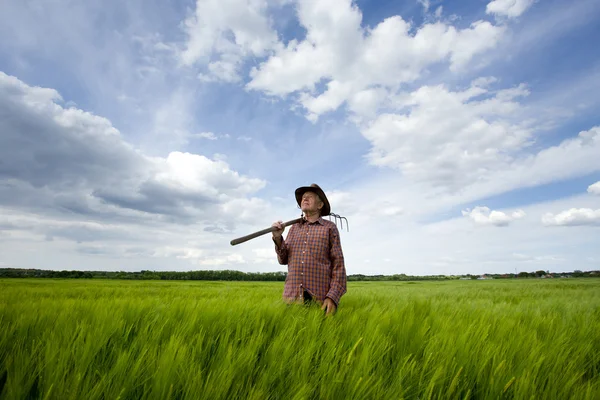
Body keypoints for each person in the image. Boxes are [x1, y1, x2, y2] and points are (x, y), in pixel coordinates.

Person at [272, 183, 347, 315]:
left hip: (319, 299)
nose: (304, 199)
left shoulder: (329, 228)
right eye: (303, 198)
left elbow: (338, 265)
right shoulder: (294, 228)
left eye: (310, 197)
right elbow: (283, 260)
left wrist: (332, 297)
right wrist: (278, 238)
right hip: (292, 298)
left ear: (320, 205)